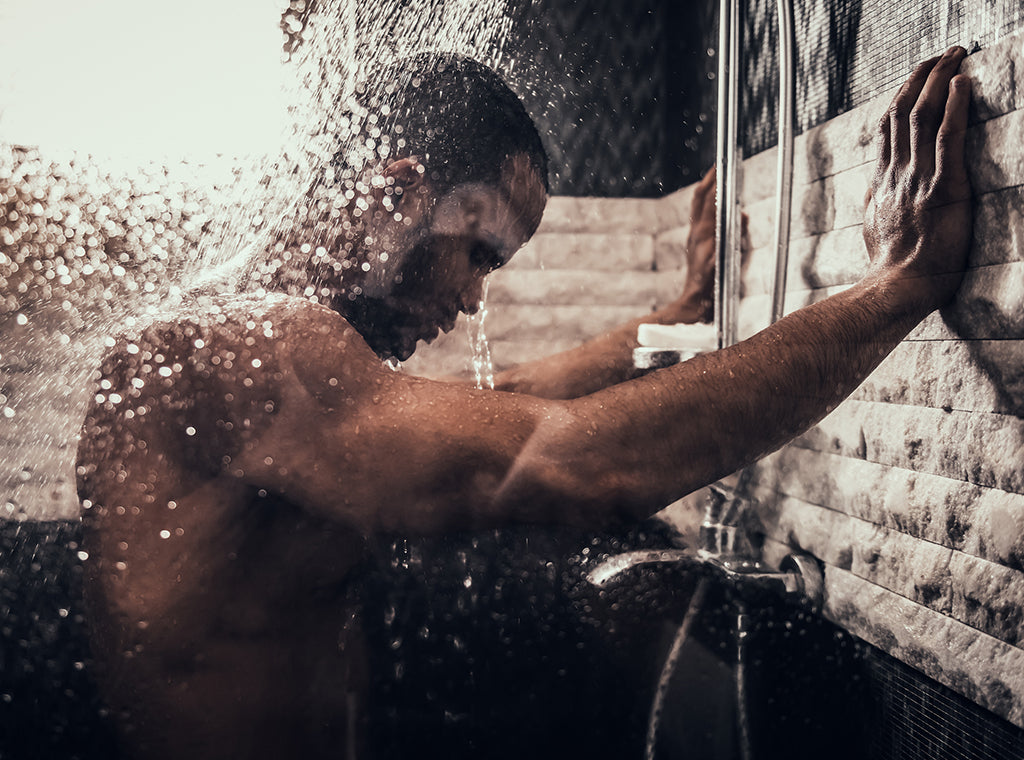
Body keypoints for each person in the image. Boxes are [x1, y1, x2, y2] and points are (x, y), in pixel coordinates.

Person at [76, 47, 973, 759]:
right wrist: (893, 288)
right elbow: (559, 459)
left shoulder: (276, 357)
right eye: (479, 256)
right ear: (394, 195)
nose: (472, 301)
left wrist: (670, 318)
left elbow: (484, 412)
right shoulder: (235, 345)